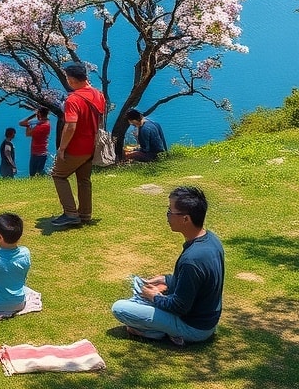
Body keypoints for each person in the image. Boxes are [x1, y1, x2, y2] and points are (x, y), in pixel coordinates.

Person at [111, 185, 224, 345]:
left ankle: (154, 331)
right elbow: (198, 282)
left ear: (186, 219)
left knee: (120, 308)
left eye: (171, 211)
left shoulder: (191, 260)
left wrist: (155, 297)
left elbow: (179, 307)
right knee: (139, 283)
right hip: (204, 320)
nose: (168, 215)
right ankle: (147, 312)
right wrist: (166, 280)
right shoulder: (212, 240)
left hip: (193, 327)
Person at [50, 64, 106, 228]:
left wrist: (62, 148)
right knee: (84, 180)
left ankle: (70, 213)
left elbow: (71, 126)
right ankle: (85, 214)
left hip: (76, 147)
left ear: (72, 80)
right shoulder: (98, 95)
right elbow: (100, 119)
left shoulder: (73, 99)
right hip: (92, 146)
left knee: (58, 175)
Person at [18, 107, 51, 177]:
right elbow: (21, 123)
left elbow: (28, 134)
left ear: (40, 114)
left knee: (35, 173)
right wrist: (33, 116)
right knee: (37, 173)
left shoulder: (42, 126)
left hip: (39, 153)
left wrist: (28, 125)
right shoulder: (42, 123)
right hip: (37, 152)